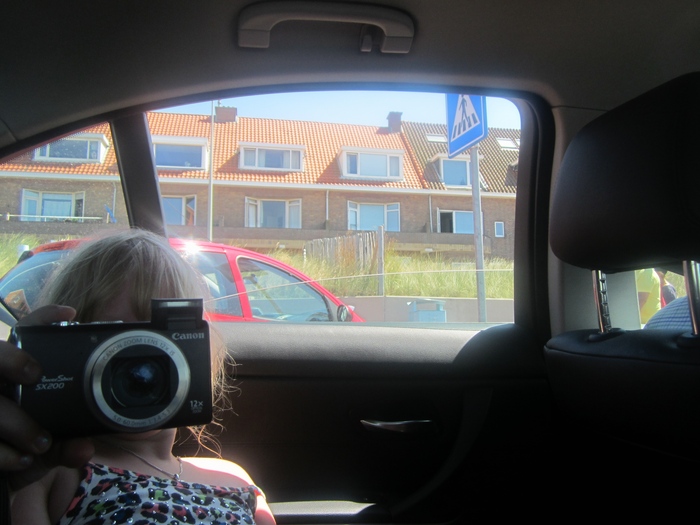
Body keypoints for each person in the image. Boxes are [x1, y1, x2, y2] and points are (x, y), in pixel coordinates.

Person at [5, 230, 275, 525]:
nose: (139, 368)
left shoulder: (233, 477)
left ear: (199, 353)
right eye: (114, 340)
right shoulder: (50, 471)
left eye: (159, 339)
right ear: (61, 352)